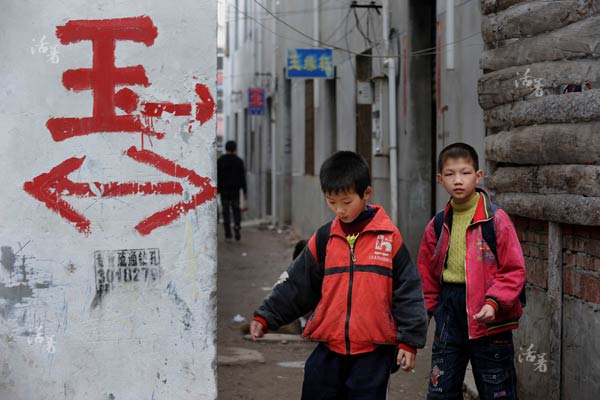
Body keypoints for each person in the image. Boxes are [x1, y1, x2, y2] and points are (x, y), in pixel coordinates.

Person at [250, 151, 428, 399]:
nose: (339, 210)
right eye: (332, 202)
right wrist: (266, 316)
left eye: (346, 202)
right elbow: (297, 283)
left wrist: (409, 341)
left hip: (374, 353)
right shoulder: (324, 239)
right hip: (329, 349)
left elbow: (408, 291)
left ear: (366, 193)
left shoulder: (389, 239)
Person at [417, 142, 526, 399]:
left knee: (497, 390)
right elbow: (427, 274)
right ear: (440, 179)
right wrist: (429, 311)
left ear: (478, 176)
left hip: (489, 317)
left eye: (465, 173)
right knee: (440, 391)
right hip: (449, 314)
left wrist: (494, 302)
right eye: (450, 174)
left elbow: (514, 269)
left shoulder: (496, 220)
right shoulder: (438, 224)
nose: (458, 180)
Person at [217, 140, 247, 241]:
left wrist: (217, 190)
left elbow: (218, 177)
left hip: (224, 191)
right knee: (236, 210)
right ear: (235, 149)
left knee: (226, 211)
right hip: (235, 190)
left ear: (225, 148)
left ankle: (228, 233)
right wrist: (245, 191)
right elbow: (242, 178)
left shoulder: (220, 161)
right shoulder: (239, 161)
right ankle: (237, 227)